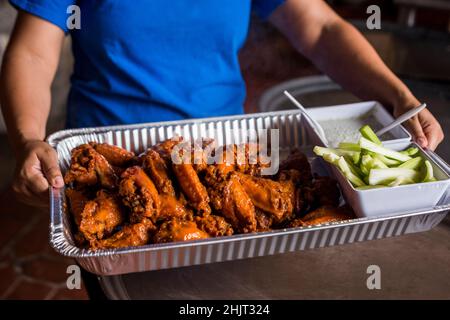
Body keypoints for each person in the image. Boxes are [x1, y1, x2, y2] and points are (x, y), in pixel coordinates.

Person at [0, 0, 444, 288]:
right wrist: (27, 137)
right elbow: (33, 52)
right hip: (110, 171)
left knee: (230, 293)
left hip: (225, 152)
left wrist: (396, 96)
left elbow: (321, 27)